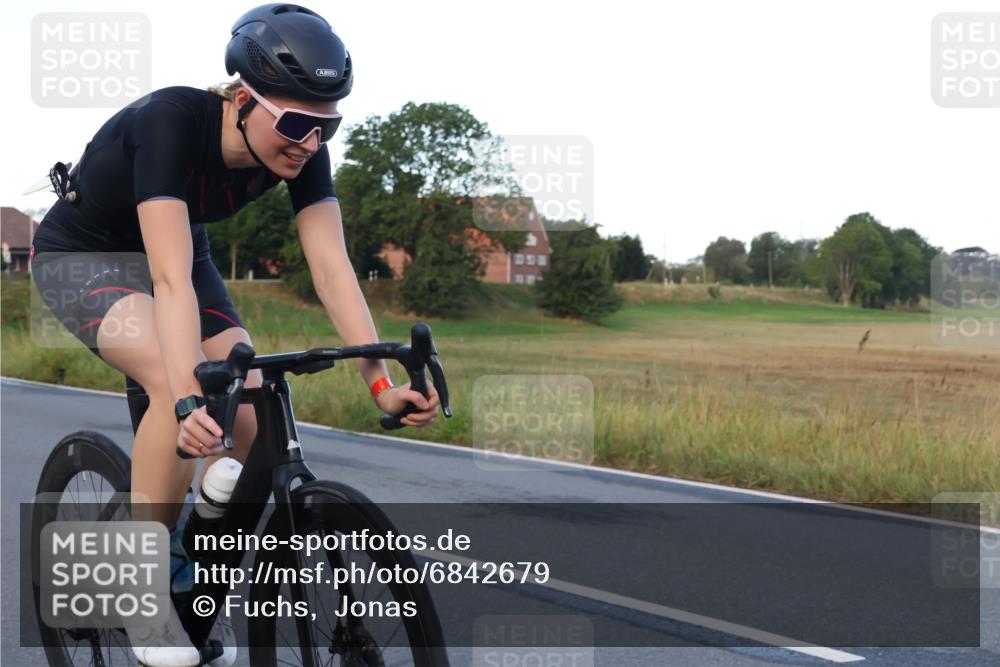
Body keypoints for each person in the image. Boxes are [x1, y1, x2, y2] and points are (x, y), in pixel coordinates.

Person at [30, 4, 440, 666]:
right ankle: (139, 583)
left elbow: (333, 268)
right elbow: (167, 283)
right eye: (298, 123)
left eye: (327, 124)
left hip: (181, 260)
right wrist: (189, 395)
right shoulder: (171, 122)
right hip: (87, 257)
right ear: (244, 98)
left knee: (247, 407)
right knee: (178, 378)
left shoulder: (301, 145)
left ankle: (191, 564)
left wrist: (381, 383)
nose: (310, 141)